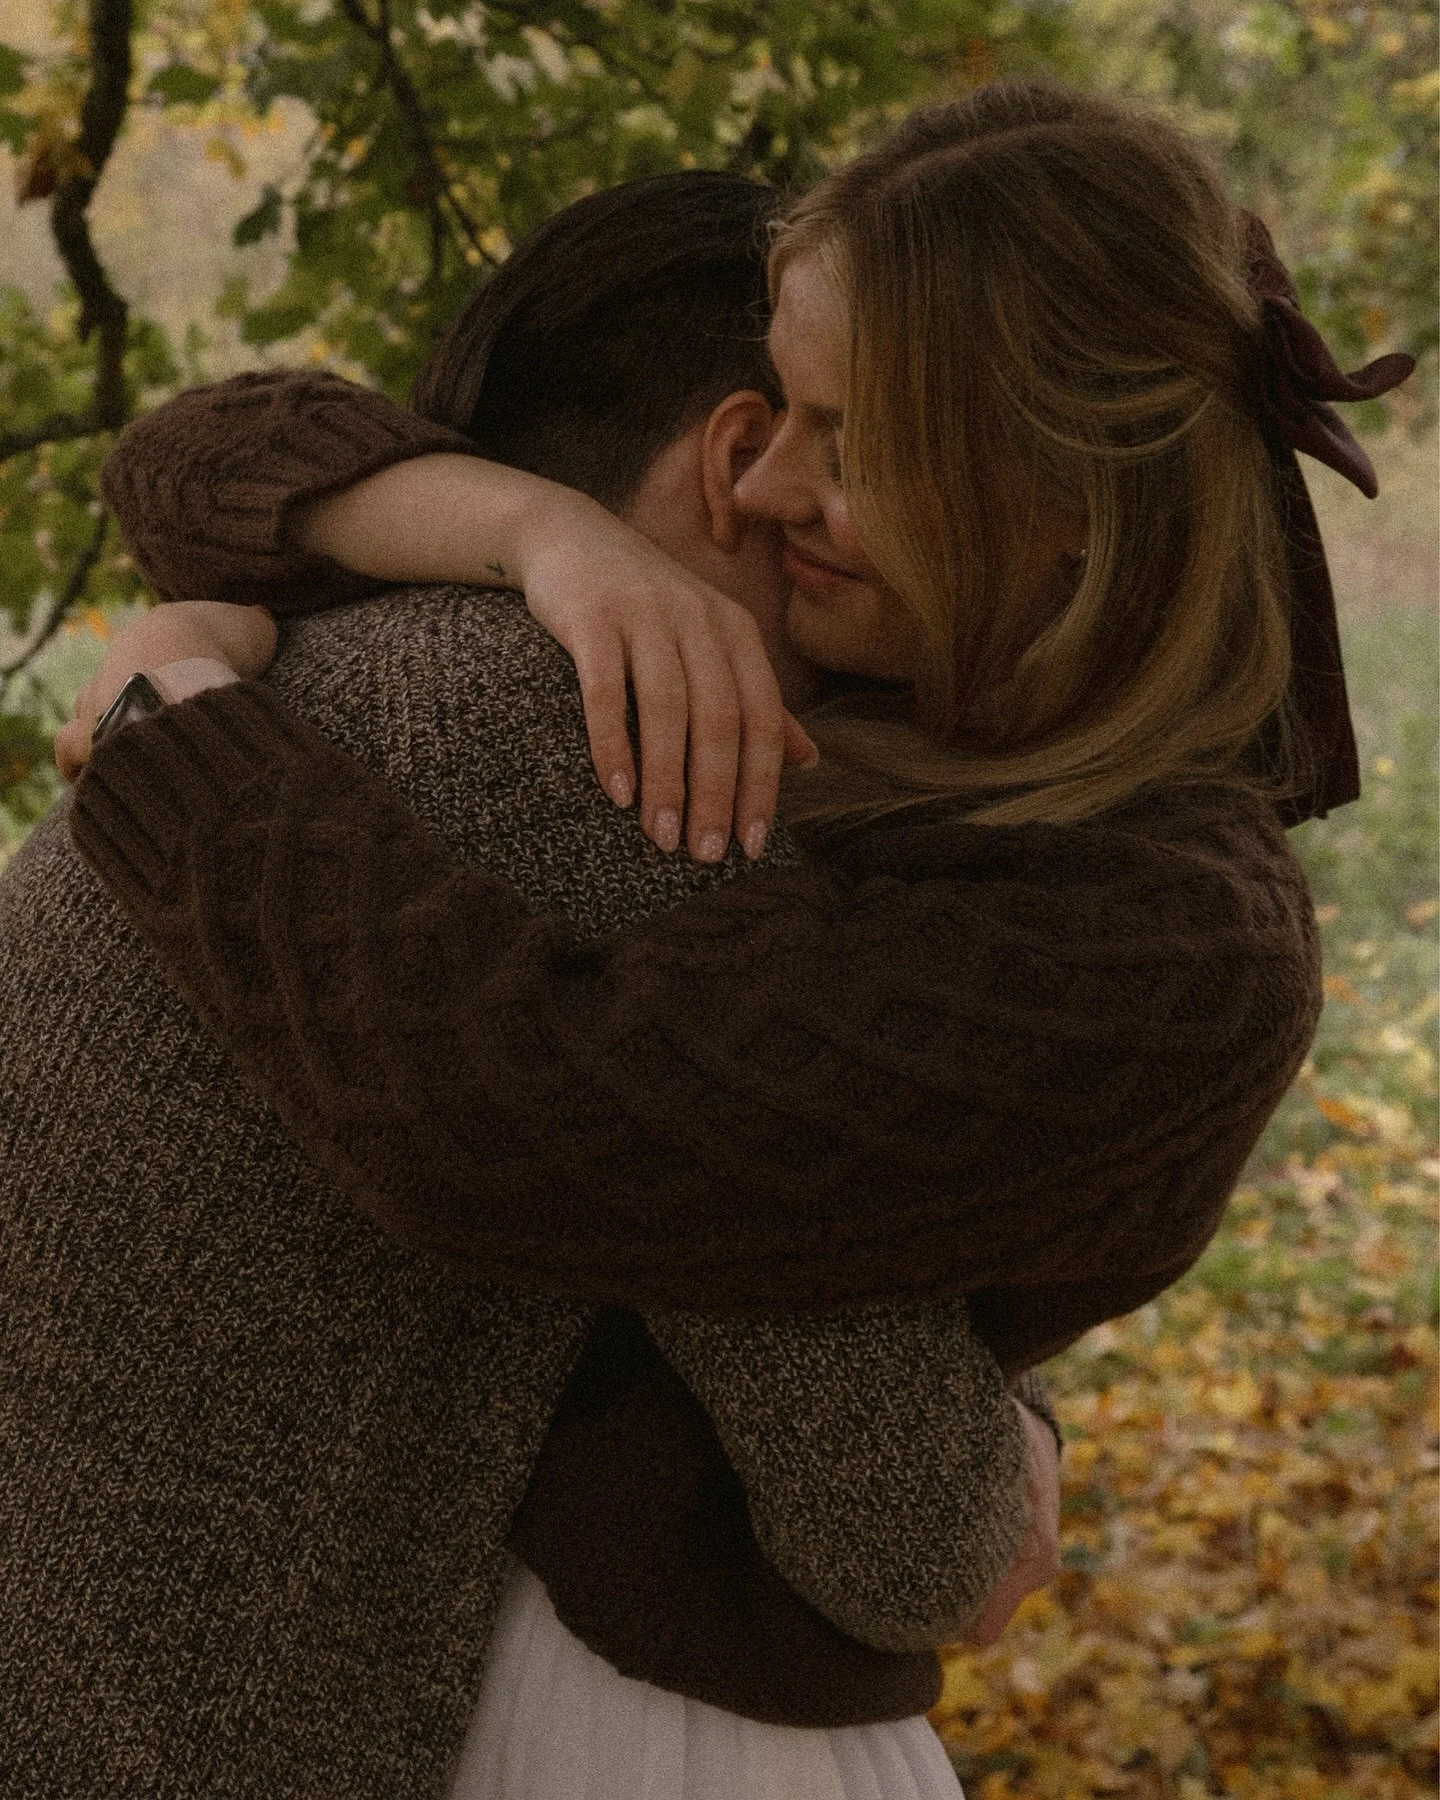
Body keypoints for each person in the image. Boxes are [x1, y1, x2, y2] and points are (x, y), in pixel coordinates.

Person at [66, 74, 1407, 1779]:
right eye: (779, 413)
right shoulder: (876, 690)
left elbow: (535, 1127)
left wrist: (176, 747)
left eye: (850, 439)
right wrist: (541, 531)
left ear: (1065, 485)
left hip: (674, 1699)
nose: (763, 486)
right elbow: (187, 458)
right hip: (463, 1624)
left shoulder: (1164, 938)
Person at [3, 171, 1058, 1800]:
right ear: (740, 461)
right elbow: (912, 1537)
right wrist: (1022, 1456)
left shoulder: (339, 661)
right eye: (863, 449)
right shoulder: (618, 750)